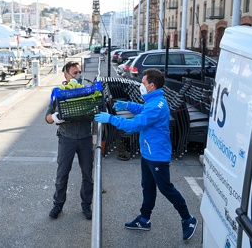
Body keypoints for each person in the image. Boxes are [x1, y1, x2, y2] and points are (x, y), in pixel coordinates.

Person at [94, 68, 198, 240]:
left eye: (143, 83)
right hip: (149, 152)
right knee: (147, 187)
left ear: (151, 85)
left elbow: (136, 124)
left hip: (157, 155)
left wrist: (111, 118)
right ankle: (144, 219)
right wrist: (127, 105)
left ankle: (188, 219)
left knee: (166, 189)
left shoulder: (157, 106)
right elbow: (143, 109)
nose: (141, 85)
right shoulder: (153, 100)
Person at [45, 61, 94, 220]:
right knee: (62, 174)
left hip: (86, 138)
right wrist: (54, 117)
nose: (78, 76)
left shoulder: (87, 90)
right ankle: (58, 204)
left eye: (79, 72)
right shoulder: (58, 92)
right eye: (74, 73)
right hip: (67, 139)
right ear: (66, 75)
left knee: (87, 174)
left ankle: (86, 205)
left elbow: (97, 109)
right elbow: (47, 117)